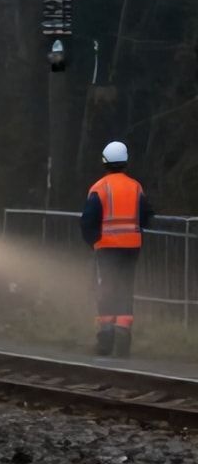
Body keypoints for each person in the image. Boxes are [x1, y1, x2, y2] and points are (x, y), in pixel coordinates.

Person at [81, 140, 155, 358]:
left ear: (104, 162)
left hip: (107, 248)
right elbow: (147, 216)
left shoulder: (99, 188)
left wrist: (93, 241)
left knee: (106, 289)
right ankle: (123, 340)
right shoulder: (136, 187)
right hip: (131, 248)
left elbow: (88, 220)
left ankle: (105, 341)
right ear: (125, 162)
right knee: (125, 288)